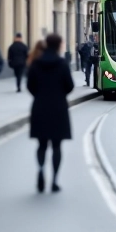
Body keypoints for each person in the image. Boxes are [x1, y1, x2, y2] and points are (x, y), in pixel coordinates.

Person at [26, 33, 74, 193]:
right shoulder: (62, 63)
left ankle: (40, 170)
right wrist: (59, 94)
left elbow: (30, 85)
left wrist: (40, 95)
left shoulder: (36, 63)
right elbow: (70, 86)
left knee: (41, 145)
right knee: (57, 146)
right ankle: (54, 180)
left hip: (40, 107)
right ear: (59, 45)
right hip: (58, 108)